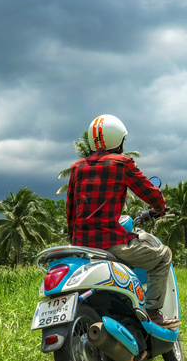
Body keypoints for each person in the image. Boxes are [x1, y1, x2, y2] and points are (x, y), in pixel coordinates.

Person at [65, 114, 180, 328]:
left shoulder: (76, 168)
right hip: (111, 243)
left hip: (81, 246)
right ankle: (153, 311)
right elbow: (150, 193)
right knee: (163, 256)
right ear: (118, 140)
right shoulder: (121, 163)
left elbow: (70, 211)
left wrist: (75, 240)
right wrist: (160, 208)